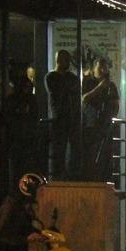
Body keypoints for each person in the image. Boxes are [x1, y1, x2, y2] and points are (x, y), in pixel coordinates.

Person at [80, 56, 119, 182]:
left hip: (105, 125)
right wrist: (100, 88)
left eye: (105, 68)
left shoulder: (110, 85)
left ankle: (105, 179)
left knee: (106, 156)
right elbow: (84, 99)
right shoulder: (87, 82)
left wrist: (111, 116)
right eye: (100, 67)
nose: (102, 70)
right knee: (90, 156)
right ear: (94, 68)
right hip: (90, 125)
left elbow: (115, 103)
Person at [45, 50, 79, 179]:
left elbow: (74, 93)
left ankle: (69, 177)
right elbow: (57, 92)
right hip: (58, 119)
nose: (64, 62)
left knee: (71, 152)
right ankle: (57, 177)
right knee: (58, 151)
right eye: (62, 59)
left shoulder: (72, 78)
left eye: (66, 59)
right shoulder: (51, 77)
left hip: (72, 119)